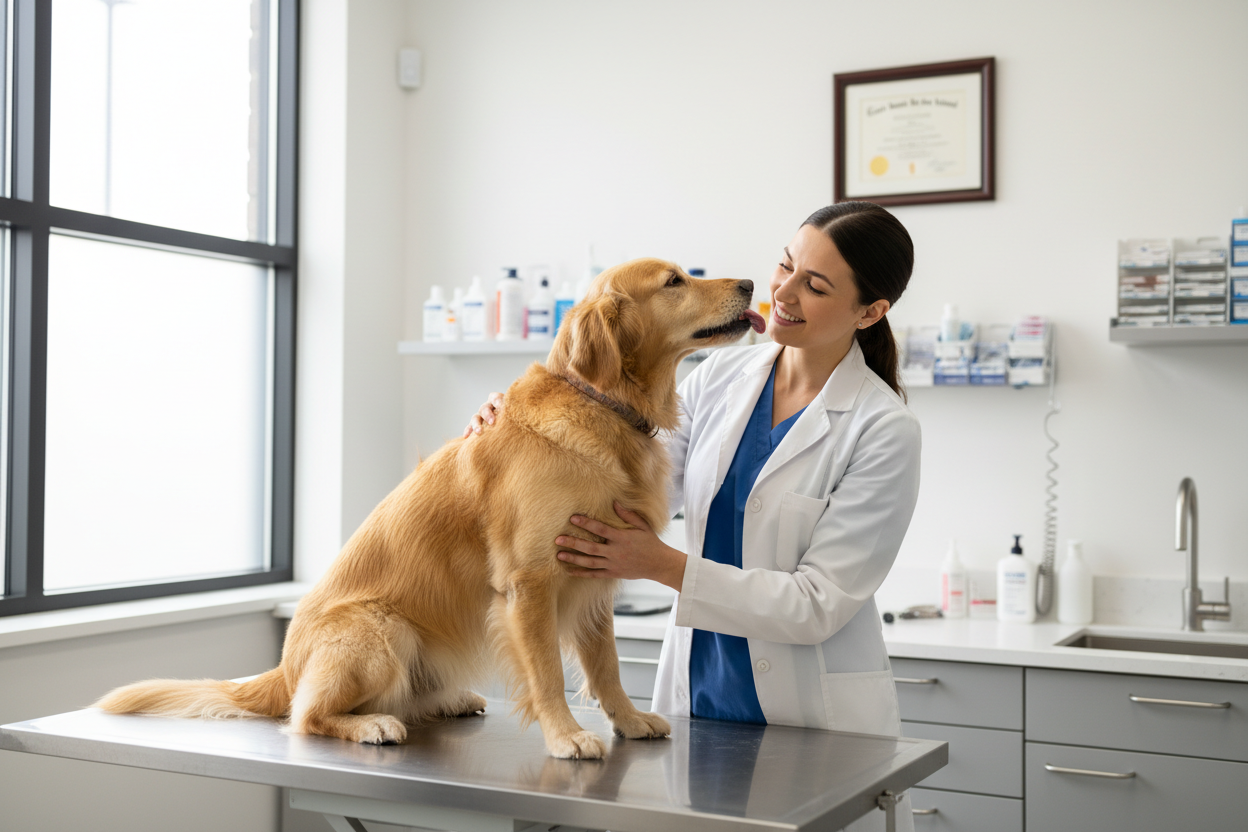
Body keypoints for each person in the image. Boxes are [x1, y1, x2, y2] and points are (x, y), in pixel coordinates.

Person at [467, 202, 920, 831]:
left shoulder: (883, 430)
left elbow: (817, 604)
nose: (782, 292)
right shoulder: (718, 378)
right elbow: (625, 487)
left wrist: (660, 563)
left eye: (814, 286)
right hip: (697, 700)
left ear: (870, 312)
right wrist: (518, 429)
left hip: (810, 722)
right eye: (785, 267)